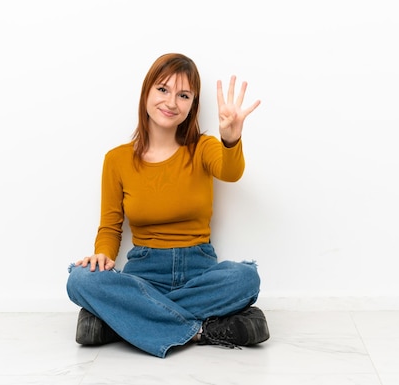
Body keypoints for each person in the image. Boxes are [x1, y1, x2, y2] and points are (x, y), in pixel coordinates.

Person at [66, 53, 269, 358]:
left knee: (245, 278)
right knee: (80, 279)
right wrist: (103, 256)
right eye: (163, 90)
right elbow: (110, 227)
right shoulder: (117, 160)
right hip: (144, 276)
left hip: (199, 272)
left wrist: (230, 140)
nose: (172, 102)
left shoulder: (203, 147)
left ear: (192, 105)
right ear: (146, 92)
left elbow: (231, 172)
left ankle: (122, 321)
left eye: (183, 95)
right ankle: (201, 330)